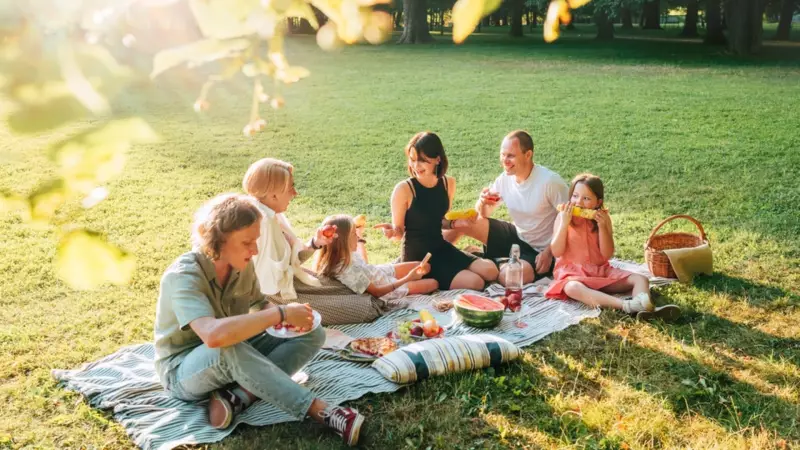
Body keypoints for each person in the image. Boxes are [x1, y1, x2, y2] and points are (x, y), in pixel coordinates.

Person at [153, 194, 364, 445]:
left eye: (255, 241)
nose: (254, 250)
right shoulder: (184, 275)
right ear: (217, 239)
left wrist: (289, 321)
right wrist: (280, 313)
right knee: (226, 348)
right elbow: (213, 335)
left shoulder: (241, 264)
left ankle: (239, 396)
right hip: (182, 370)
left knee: (314, 332)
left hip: (234, 350)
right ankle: (323, 412)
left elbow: (259, 303)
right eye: (247, 242)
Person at [243, 158, 384, 325]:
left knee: (352, 289)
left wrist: (316, 243)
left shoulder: (273, 213)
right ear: (274, 195)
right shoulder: (261, 223)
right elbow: (262, 280)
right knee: (368, 307)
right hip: (273, 296)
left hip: (289, 282)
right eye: (290, 188)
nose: (295, 193)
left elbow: (288, 261)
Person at [545, 174, 680, 320]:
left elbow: (607, 254)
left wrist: (603, 227)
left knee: (641, 279)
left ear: (598, 202)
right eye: (575, 196)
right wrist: (564, 223)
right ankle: (627, 306)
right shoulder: (563, 217)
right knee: (572, 288)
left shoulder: (603, 219)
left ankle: (645, 310)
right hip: (572, 274)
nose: (579, 203)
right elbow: (556, 251)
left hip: (600, 272)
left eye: (586, 198)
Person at [375, 132, 498, 291]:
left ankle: (466, 259)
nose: (416, 166)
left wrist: (456, 223)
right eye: (412, 160)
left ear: (437, 159)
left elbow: (440, 221)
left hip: (440, 247)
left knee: (491, 271)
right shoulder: (404, 189)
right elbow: (399, 234)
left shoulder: (448, 183)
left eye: (423, 160)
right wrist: (392, 232)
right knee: (476, 283)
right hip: (419, 257)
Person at [444, 130, 568, 286]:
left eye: (510, 156)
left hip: (541, 252)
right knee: (462, 222)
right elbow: (483, 215)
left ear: (528, 154)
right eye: (503, 155)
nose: (505, 161)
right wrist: (483, 203)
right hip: (515, 236)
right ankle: (430, 257)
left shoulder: (550, 182)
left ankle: (478, 258)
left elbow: (570, 223)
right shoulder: (505, 178)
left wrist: (550, 252)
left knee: (508, 277)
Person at [313, 214, 438, 301]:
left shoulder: (343, 253)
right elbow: (377, 292)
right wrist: (408, 278)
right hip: (388, 287)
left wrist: (360, 237)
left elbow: (364, 264)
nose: (356, 237)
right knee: (434, 283)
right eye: (353, 234)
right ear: (343, 241)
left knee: (424, 266)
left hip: (379, 271)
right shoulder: (345, 269)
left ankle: (415, 279)